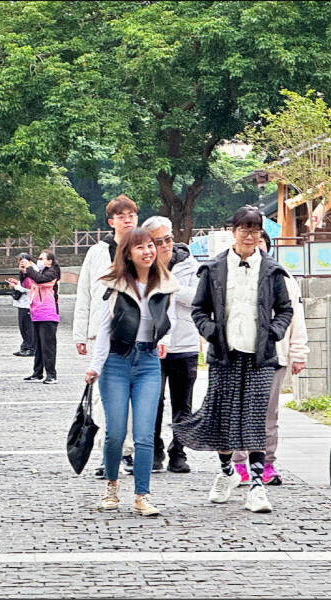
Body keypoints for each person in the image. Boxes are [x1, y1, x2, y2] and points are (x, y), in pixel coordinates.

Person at [174, 205, 293, 513]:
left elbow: (286, 310)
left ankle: (256, 485)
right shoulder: (213, 269)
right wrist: (211, 331)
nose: (250, 236)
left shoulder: (271, 269)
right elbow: (199, 309)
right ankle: (227, 472)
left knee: (255, 420)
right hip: (224, 355)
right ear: (233, 231)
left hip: (260, 356)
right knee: (223, 419)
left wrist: (273, 333)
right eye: (245, 229)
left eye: (256, 230)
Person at [84, 227, 179, 516]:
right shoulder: (113, 284)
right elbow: (103, 328)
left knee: (144, 434)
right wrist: (95, 366)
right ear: (127, 253)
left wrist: (165, 342)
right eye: (140, 247)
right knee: (114, 432)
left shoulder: (165, 282)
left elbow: (170, 318)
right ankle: (111, 487)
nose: (148, 251)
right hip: (116, 361)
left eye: (151, 245)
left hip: (148, 362)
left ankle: (142, 495)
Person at [232, 230, 308, 486]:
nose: (256, 245)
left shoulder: (283, 278)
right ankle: (240, 463)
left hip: (274, 355)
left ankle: (266, 464)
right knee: (239, 411)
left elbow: (296, 317)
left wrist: (298, 353)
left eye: (261, 241)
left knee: (268, 415)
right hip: (239, 354)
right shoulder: (234, 274)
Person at [73, 194, 139, 477]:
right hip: (100, 331)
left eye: (132, 215)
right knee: (103, 397)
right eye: (122, 216)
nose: (128, 220)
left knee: (133, 397)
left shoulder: (142, 248)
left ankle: (127, 451)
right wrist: (80, 332)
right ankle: (106, 451)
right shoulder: (96, 252)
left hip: (134, 332)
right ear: (111, 222)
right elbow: (85, 292)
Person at [141, 215, 199, 474]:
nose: (165, 246)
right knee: (153, 400)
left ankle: (179, 451)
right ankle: (154, 450)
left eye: (168, 239)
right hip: (153, 343)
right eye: (158, 241)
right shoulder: (141, 268)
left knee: (182, 403)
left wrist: (172, 286)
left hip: (185, 343)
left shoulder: (190, 265)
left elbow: (199, 298)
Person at [19, 250, 61, 384]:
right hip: (36, 312)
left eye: (42, 258)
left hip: (48, 313)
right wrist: (23, 271)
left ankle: (51, 374)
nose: (40, 260)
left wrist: (30, 268)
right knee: (38, 345)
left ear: (50, 261)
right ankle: (37, 372)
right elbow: (27, 284)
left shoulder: (53, 273)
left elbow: (39, 280)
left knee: (48, 346)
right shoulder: (39, 272)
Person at [8, 253, 35, 357]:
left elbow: (29, 287)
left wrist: (15, 286)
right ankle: (25, 346)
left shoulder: (32, 271)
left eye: (21, 261)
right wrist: (17, 283)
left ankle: (30, 348)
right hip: (22, 303)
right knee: (23, 326)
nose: (20, 264)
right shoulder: (24, 272)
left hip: (28, 303)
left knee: (28, 327)